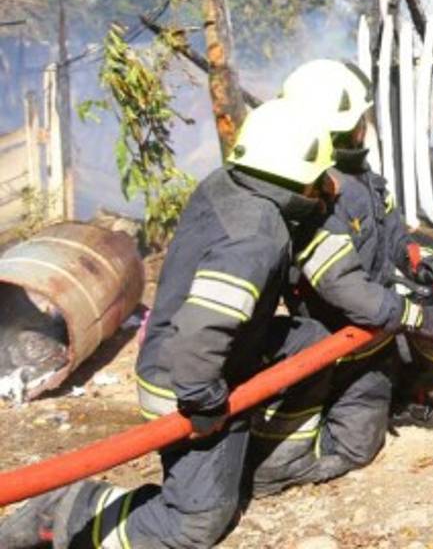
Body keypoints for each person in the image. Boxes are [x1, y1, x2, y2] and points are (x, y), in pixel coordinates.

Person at [0, 99, 342, 548]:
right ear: (299, 176)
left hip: (206, 356)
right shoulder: (256, 235)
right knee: (194, 523)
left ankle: (274, 463)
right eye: (319, 178)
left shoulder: (229, 186)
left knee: (308, 342)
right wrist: (203, 402)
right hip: (184, 381)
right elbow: (201, 333)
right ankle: (66, 510)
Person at [279, 59, 433, 437]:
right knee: (360, 442)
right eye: (362, 117)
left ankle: (416, 392)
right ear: (349, 128)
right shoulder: (314, 190)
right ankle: (369, 394)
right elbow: (344, 290)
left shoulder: (365, 181)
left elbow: (397, 243)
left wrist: (427, 265)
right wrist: (417, 317)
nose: (367, 125)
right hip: (342, 335)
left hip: (382, 312)